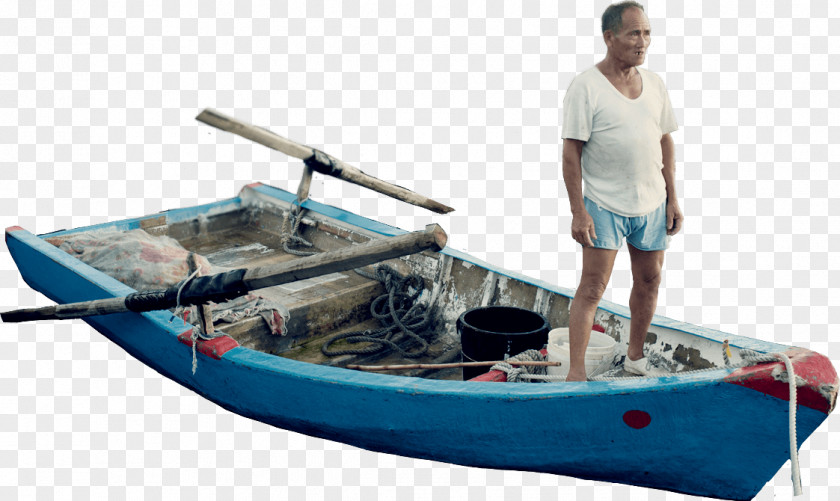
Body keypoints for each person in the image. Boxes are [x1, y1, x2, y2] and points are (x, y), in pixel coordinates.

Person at [561, 1, 683, 382]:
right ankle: (576, 372)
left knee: (650, 280)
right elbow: (571, 153)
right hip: (604, 205)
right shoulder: (586, 86)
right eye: (634, 33)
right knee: (593, 287)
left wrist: (673, 197)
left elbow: (664, 141)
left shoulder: (656, 85)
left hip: (651, 203)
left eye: (647, 33)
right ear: (609, 37)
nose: (643, 41)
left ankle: (635, 359)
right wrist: (579, 211)